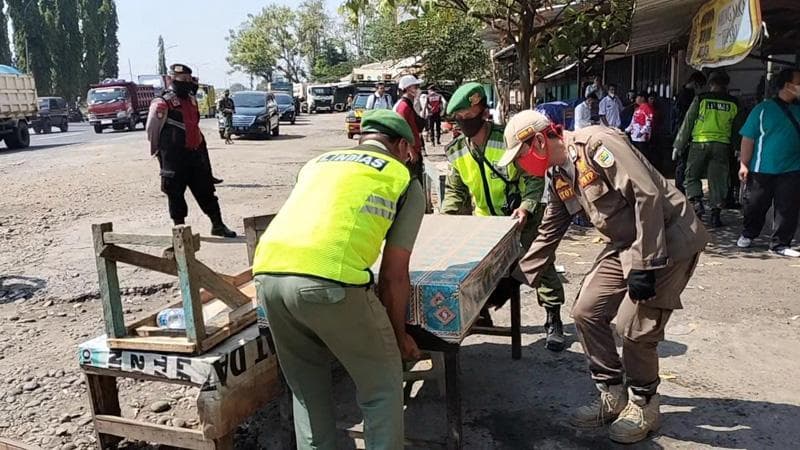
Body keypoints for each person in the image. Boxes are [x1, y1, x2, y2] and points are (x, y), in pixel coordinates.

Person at [498, 112, 709, 444]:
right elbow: (552, 227)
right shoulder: (558, 173)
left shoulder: (598, 145)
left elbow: (647, 194)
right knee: (586, 311)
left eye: (520, 157)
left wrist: (644, 264)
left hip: (668, 239)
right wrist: (517, 277)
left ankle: (644, 403)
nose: (520, 167)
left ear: (538, 141)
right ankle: (612, 392)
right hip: (625, 243)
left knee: (633, 328)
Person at [252, 109, 425, 448]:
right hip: (331, 282)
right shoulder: (402, 178)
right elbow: (393, 275)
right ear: (402, 146)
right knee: (381, 386)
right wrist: (398, 336)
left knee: (307, 391)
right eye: (409, 152)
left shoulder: (317, 163)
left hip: (268, 277)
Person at [442, 83, 567, 351]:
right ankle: (481, 312)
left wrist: (527, 206)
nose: (465, 122)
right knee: (476, 271)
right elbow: (455, 191)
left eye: (469, 115)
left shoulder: (507, 140)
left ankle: (553, 318)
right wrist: (447, 218)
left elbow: (533, 178)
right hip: (485, 223)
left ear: (483, 113)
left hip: (521, 218)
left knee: (541, 265)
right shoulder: (456, 150)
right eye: (460, 118)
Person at [146, 63, 237, 238]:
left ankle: (218, 225)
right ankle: (180, 230)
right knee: (175, 193)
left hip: (194, 154)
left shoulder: (191, 100)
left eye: (189, 79)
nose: (187, 82)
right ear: (171, 79)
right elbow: (152, 130)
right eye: (182, 79)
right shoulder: (162, 103)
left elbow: (194, 125)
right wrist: (159, 153)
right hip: (174, 158)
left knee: (207, 191)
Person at [736, 68, 800, 257]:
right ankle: (749, 233)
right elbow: (748, 138)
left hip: (792, 168)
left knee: (787, 207)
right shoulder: (762, 109)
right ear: (788, 85)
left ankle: (780, 244)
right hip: (762, 168)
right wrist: (744, 164)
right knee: (755, 204)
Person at [672, 71, 743, 228]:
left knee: (691, 176)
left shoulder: (701, 99)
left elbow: (688, 122)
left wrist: (678, 145)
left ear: (710, 83)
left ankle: (697, 202)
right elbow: (737, 128)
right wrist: (738, 148)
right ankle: (715, 215)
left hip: (699, 143)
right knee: (718, 180)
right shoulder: (734, 103)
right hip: (722, 146)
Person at [673, 71, 707, 194]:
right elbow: (686, 119)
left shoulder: (681, 94)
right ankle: (681, 190)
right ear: (695, 83)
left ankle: (680, 189)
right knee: (683, 163)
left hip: (680, 131)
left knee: (682, 163)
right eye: (700, 86)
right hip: (684, 133)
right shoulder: (688, 97)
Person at [190, 76, 223, 185]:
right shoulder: (180, 97)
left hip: (194, 130)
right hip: (182, 132)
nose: (196, 86)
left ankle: (208, 176)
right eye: (194, 83)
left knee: (203, 154)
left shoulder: (191, 96)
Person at [394, 74, 427, 163]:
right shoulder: (403, 106)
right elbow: (402, 130)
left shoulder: (409, 104)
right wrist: (410, 150)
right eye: (416, 87)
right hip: (408, 154)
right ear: (408, 88)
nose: (418, 89)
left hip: (414, 149)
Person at [626, 92, 654, 161]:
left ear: (642, 98)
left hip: (642, 137)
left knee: (642, 156)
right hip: (634, 135)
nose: (636, 99)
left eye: (637, 97)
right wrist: (626, 130)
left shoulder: (647, 108)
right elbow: (632, 122)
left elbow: (648, 123)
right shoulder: (637, 109)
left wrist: (641, 132)